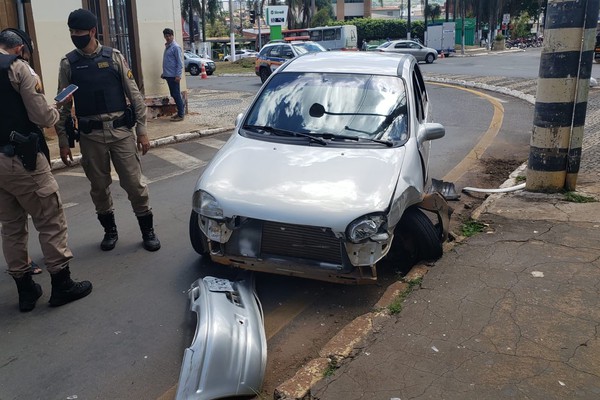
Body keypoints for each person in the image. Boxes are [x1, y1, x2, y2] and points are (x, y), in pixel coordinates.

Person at [0, 28, 92, 312]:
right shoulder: (18, 69)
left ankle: (26, 291)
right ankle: (62, 285)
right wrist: (57, 107)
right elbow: (42, 116)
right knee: (50, 219)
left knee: (12, 227)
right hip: (23, 159)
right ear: (20, 50)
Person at [55, 9, 161, 252]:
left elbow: (134, 94)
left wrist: (142, 130)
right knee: (99, 187)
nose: (74, 35)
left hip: (121, 132)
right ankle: (110, 230)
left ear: (92, 32)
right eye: (71, 31)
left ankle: (148, 230)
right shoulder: (68, 64)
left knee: (134, 184)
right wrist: (63, 139)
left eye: (79, 32)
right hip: (90, 136)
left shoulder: (113, 57)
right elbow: (63, 105)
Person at [161, 28, 185, 122]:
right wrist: (165, 73)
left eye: (169, 36)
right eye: (165, 36)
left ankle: (181, 114)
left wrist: (178, 75)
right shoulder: (168, 47)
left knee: (176, 94)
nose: (167, 38)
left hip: (174, 76)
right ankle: (179, 112)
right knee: (174, 94)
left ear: (172, 36)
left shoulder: (175, 47)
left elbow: (179, 63)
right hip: (169, 75)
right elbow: (169, 62)